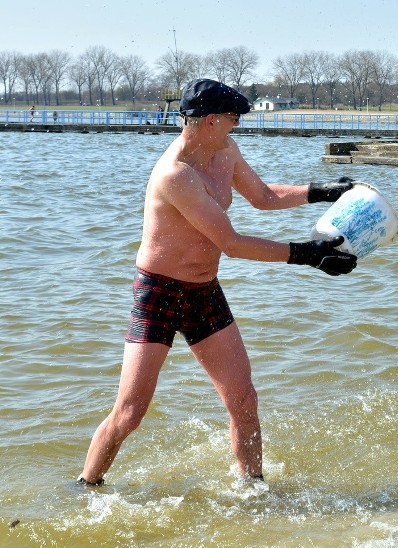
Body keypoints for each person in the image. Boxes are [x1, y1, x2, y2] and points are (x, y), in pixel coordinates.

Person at [77, 79, 358, 486]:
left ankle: (253, 487)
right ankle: (87, 486)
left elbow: (263, 197)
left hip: (203, 292)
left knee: (243, 398)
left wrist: (321, 191)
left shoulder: (225, 149)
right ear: (209, 121)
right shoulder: (176, 175)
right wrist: (310, 255)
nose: (237, 126)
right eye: (232, 119)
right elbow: (231, 243)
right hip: (158, 293)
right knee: (131, 411)